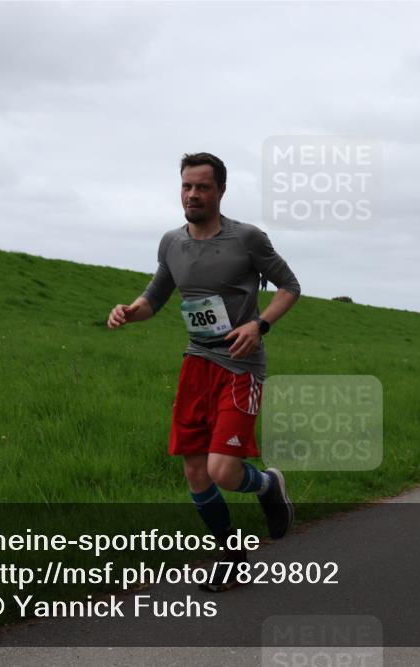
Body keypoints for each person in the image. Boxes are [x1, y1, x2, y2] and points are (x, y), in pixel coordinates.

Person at [107, 152, 301, 591]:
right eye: (186, 186)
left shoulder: (247, 239)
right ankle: (231, 556)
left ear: (221, 191)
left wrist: (260, 324)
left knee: (224, 472)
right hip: (196, 363)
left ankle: (269, 484)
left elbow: (291, 286)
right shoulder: (172, 242)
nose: (193, 194)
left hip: (239, 366)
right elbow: (154, 298)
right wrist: (128, 311)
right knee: (195, 472)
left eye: (203, 187)